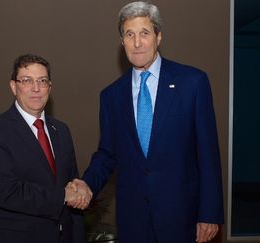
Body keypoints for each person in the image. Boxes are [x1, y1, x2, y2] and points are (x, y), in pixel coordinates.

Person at [73, 1, 224, 242]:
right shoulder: (111, 96)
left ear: (158, 36)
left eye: (144, 33)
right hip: (134, 220)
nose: (137, 42)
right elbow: (107, 153)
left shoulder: (192, 83)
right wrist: (87, 184)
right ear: (122, 42)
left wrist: (210, 213)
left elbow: (208, 153)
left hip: (182, 217)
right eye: (129, 34)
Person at [0, 54, 87, 243]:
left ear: (49, 88)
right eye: (27, 81)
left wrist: (79, 186)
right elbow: (4, 191)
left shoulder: (61, 130)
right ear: (13, 86)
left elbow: (69, 183)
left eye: (42, 81)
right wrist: (62, 195)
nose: (36, 88)